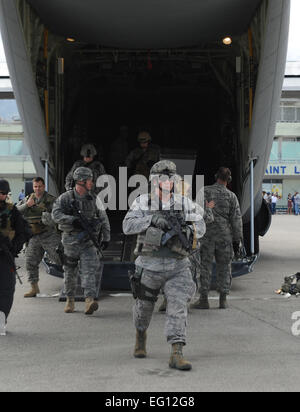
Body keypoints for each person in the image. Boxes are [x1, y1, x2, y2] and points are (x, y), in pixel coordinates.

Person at [123, 160, 206, 371]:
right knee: (143, 309)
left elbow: (201, 224)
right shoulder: (142, 202)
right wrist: (151, 220)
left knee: (178, 308)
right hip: (149, 267)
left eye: (171, 179)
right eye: (162, 179)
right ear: (153, 181)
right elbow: (127, 225)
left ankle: (176, 352)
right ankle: (141, 335)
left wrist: (189, 231)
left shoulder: (184, 203)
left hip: (177, 267)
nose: (167, 183)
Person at [52, 167, 111, 315]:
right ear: (82, 181)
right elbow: (55, 214)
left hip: (88, 242)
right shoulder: (65, 198)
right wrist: (72, 220)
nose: (92, 183)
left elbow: (103, 219)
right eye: (90, 180)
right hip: (70, 241)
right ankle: (70, 300)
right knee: (70, 272)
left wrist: (106, 237)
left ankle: (89, 300)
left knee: (89, 270)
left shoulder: (94, 198)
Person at [192, 167, 243, 310]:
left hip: (207, 236)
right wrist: (237, 240)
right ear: (229, 180)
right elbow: (236, 220)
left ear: (216, 177)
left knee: (204, 267)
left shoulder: (205, 191)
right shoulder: (232, 196)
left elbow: (195, 212)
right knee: (225, 267)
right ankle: (223, 300)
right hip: (225, 237)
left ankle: (203, 300)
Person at [17, 177, 61, 298]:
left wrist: (47, 217)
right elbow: (15, 212)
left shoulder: (51, 200)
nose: (37, 189)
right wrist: (27, 205)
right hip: (34, 236)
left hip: (49, 235)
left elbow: (59, 216)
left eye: (40, 186)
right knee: (30, 261)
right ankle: (34, 288)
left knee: (61, 260)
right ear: (33, 187)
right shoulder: (28, 199)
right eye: (35, 186)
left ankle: (71, 286)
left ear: (44, 186)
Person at [0, 179, 28, 335]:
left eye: (3, 193)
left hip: (5, 256)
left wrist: (14, 247)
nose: (0, 196)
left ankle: (1, 319)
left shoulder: (13, 211)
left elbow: (24, 231)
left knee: (6, 289)